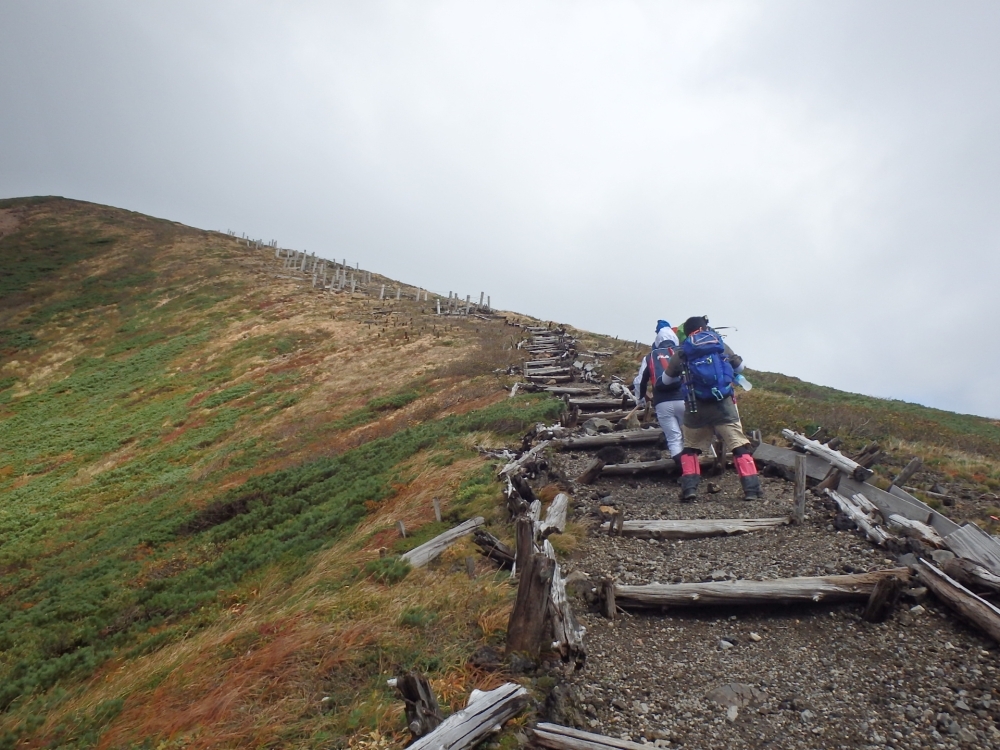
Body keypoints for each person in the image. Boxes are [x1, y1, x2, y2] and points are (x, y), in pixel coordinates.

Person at [665, 315, 762, 502]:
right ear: (704, 327)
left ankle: (689, 490)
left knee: (691, 448)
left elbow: (667, 380)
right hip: (723, 405)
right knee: (739, 445)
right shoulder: (719, 344)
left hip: (695, 407)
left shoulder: (683, 351)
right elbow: (740, 368)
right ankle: (751, 489)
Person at [634, 320, 686, 462]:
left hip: (662, 402)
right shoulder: (682, 352)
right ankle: (694, 469)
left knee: (674, 439)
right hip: (684, 399)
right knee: (689, 436)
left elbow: (640, 381)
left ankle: (682, 470)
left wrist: (641, 400)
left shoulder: (651, 356)